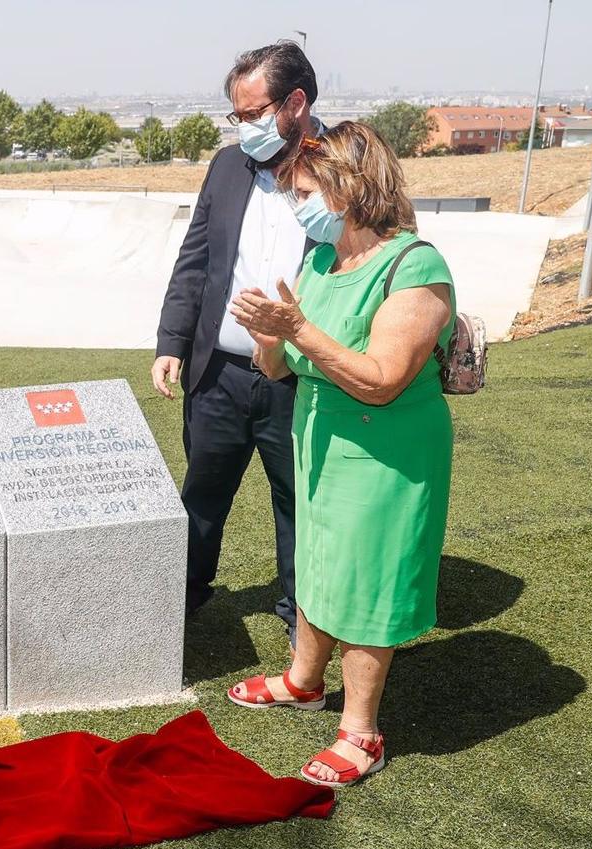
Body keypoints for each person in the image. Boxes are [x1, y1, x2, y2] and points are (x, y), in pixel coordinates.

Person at [224, 121, 457, 789]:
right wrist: (268, 336)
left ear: (350, 186)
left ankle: (361, 732)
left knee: (368, 579)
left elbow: (382, 379)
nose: (299, 204)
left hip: (386, 454)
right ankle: (303, 680)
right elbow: (278, 369)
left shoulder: (415, 266)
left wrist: (296, 327)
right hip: (322, 440)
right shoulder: (322, 261)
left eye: (304, 190)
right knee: (319, 561)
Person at [151, 41, 326, 647]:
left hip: (299, 380)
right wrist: (173, 340)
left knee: (299, 504)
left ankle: (302, 614)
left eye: (253, 113)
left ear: (296, 102)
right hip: (218, 374)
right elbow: (196, 259)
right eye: (238, 116)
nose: (244, 127)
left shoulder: (341, 168)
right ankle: (184, 595)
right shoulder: (227, 168)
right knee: (201, 492)